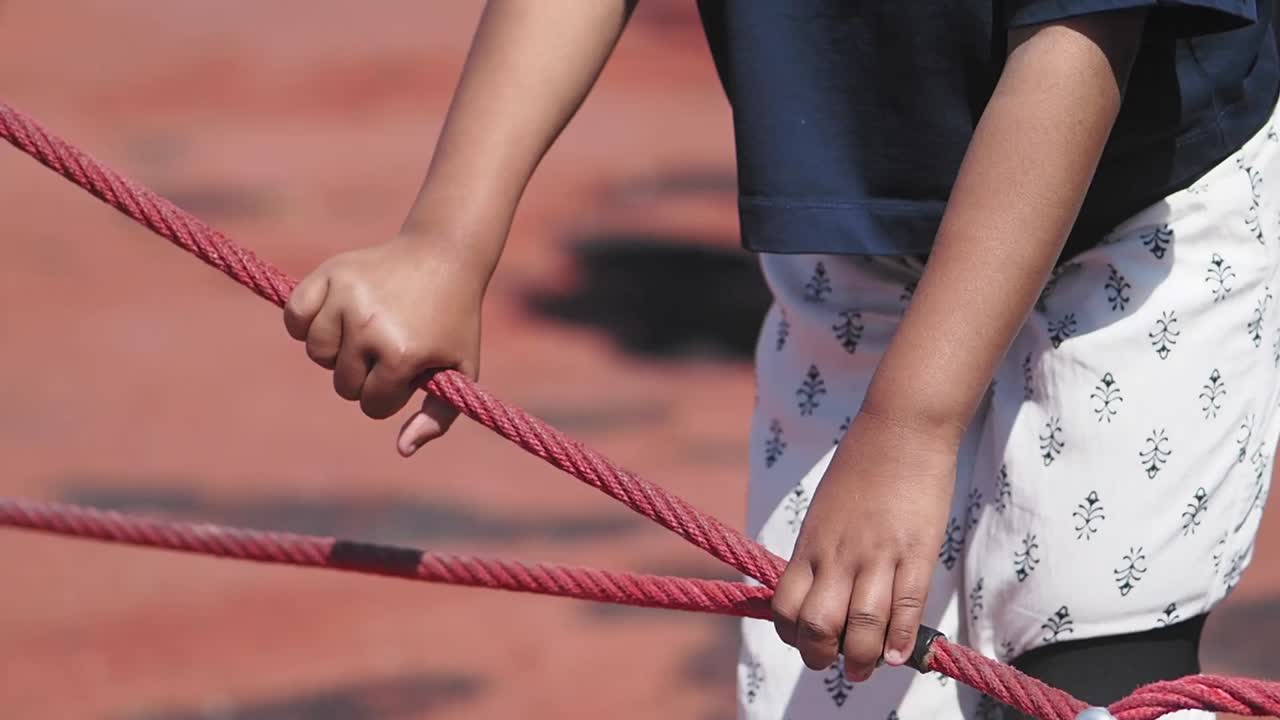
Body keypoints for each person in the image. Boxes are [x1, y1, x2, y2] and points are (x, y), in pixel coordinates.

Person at [281, 2, 1280, 717]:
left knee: (1088, 662)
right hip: (850, 221)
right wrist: (449, 238)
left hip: (1137, 206)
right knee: (839, 661)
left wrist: (907, 430)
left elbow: (1078, 39)